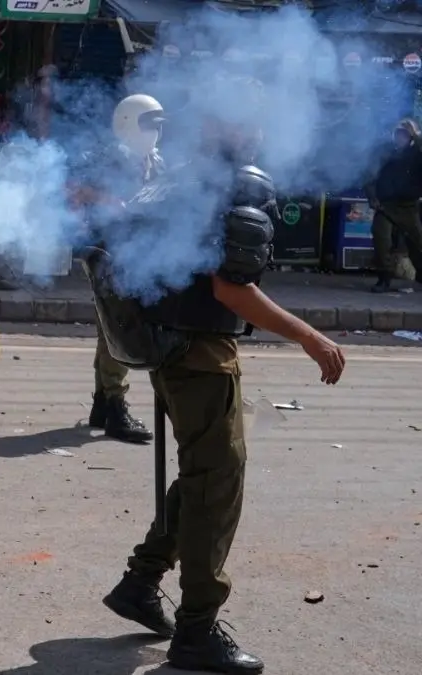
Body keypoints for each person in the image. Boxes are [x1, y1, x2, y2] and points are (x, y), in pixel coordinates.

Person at [96, 81, 346, 674]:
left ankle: (140, 581)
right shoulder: (231, 185)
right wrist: (309, 336)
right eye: (247, 118)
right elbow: (231, 288)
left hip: (169, 350)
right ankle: (197, 629)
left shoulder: (180, 177)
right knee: (216, 487)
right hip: (199, 357)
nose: (257, 130)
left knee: (203, 475)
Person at [72, 94, 167, 443]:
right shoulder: (105, 158)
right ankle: (115, 405)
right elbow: (73, 189)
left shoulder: (156, 161)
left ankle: (103, 402)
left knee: (109, 328)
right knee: (121, 325)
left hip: (137, 251)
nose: (155, 133)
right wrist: (109, 201)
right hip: (106, 250)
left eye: (158, 126)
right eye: (149, 125)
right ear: (128, 122)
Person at [363, 118, 422, 293]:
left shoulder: (417, 154)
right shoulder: (384, 153)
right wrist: (372, 197)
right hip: (386, 206)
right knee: (381, 240)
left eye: (405, 135)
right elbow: (369, 175)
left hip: (408, 207)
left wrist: (417, 136)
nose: (400, 138)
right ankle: (384, 278)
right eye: (398, 134)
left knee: (418, 243)